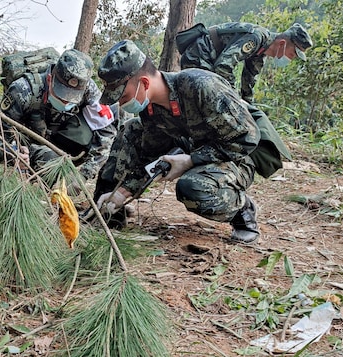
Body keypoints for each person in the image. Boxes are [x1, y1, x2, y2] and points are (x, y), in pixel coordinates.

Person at [92, 40, 262, 244]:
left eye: (123, 95)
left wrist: (190, 161)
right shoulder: (150, 109)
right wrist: (122, 192)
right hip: (192, 151)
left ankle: (242, 211)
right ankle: (108, 208)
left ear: (145, 83)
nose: (120, 103)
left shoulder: (201, 86)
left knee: (191, 187)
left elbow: (247, 139)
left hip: (237, 159)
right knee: (131, 129)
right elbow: (148, 156)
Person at [0, 49, 117, 189]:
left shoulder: (89, 90)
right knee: (48, 158)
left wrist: (84, 176)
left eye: (72, 99)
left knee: (110, 124)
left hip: (62, 139)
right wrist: (14, 155)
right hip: (29, 144)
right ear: (49, 79)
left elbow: (106, 132)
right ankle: (35, 187)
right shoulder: (22, 90)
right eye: (61, 95)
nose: (65, 102)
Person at [178, 22, 313, 103]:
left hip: (209, 61)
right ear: (283, 43)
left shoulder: (260, 53)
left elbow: (247, 84)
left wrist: (249, 109)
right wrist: (234, 99)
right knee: (205, 100)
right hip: (199, 55)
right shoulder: (256, 38)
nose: (291, 58)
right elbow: (223, 67)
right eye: (292, 54)